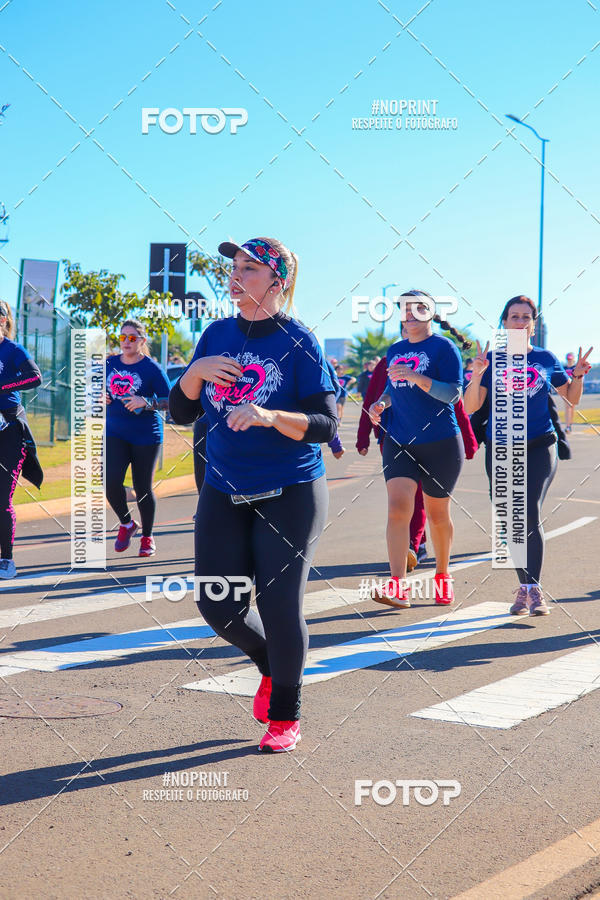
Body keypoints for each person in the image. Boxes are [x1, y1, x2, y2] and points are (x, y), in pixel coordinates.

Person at [169, 236, 336, 754]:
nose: (235, 276)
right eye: (233, 267)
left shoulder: (299, 340)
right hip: (223, 486)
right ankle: (271, 665)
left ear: (276, 280)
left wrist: (268, 415)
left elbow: (326, 423)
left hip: (290, 488)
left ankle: (285, 715)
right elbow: (180, 412)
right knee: (217, 605)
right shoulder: (216, 333)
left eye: (249, 268)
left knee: (280, 603)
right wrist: (194, 374)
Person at [464, 295, 592, 615]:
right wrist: (478, 373)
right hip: (500, 449)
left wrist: (577, 376)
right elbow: (470, 407)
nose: (519, 321)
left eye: (525, 317)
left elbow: (571, 399)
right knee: (509, 521)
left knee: (526, 510)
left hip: (539, 445)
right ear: (504, 323)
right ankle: (525, 587)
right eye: (514, 316)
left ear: (533, 326)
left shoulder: (546, 358)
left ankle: (533, 590)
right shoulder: (491, 360)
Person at [368, 290, 471, 608]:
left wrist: (417, 377)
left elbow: (453, 394)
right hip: (399, 440)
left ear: (430, 313)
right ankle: (398, 585)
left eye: (418, 308)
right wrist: (380, 404)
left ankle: (442, 577)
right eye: (404, 309)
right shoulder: (395, 349)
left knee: (438, 515)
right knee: (397, 509)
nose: (410, 313)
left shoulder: (444, 347)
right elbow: (391, 387)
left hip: (440, 442)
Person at [105, 319, 171, 557]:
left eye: (132, 338)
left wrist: (146, 402)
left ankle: (147, 537)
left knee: (142, 487)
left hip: (146, 436)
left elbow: (170, 401)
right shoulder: (109, 363)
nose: (126, 342)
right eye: (123, 337)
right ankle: (126, 524)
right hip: (115, 432)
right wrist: (101, 396)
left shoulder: (152, 369)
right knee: (110, 482)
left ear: (142, 341)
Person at [0, 300, 43, 578]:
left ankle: (7, 560)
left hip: (10, 430)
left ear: (4, 321)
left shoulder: (13, 350)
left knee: (2, 499)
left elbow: (35, 376)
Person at [563, 352, 576, 433]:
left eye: (570, 359)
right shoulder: (563, 368)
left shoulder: (575, 367)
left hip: (574, 388)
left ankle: (570, 424)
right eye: (568, 359)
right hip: (566, 389)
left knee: (572, 407)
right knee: (568, 406)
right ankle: (568, 426)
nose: (569, 361)